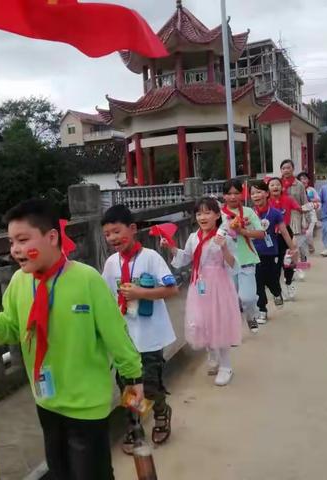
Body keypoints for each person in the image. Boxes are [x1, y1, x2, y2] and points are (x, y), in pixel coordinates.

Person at [0, 199, 143, 480]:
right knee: (60, 472)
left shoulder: (87, 280)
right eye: (11, 242)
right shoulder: (19, 283)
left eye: (23, 239)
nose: (15, 250)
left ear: (51, 237)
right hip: (46, 402)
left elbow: (116, 335)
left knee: (92, 473)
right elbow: (12, 329)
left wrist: (133, 379)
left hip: (87, 405)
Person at [101, 205, 178, 454]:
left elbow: (172, 289)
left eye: (116, 231)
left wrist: (141, 293)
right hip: (125, 337)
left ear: (133, 229)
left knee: (150, 385)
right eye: (107, 235)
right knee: (127, 384)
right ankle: (135, 427)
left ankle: (161, 411)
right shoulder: (111, 263)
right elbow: (105, 297)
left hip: (151, 335)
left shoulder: (151, 258)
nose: (112, 238)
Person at [165, 197, 241, 387]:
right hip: (198, 283)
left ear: (217, 215)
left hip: (218, 284)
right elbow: (186, 258)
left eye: (207, 212)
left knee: (218, 322)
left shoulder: (224, 236)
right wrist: (172, 249)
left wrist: (223, 246)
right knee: (200, 321)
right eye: (199, 213)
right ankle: (211, 351)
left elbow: (232, 265)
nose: (202, 217)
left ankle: (226, 365)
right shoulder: (193, 237)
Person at [221, 179, 265, 333]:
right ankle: (233, 330)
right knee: (231, 298)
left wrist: (243, 231)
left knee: (248, 297)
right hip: (226, 262)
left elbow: (261, 233)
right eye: (229, 194)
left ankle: (251, 315)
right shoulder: (218, 214)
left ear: (242, 194)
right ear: (224, 196)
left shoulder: (248, 212)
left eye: (236, 193)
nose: (233, 197)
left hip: (246, 258)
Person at [251, 181, 297, 324]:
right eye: (252, 193)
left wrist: (293, 249)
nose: (256, 195)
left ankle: (277, 293)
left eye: (259, 192)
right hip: (254, 252)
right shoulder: (249, 213)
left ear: (266, 193)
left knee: (271, 279)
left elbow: (283, 232)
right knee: (258, 280)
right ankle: (262, 309)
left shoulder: (275, 213)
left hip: (271, 252)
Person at [268, 177, 306, 300]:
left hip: (286, 234)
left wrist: (311, 206)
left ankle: (289, 283)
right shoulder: (266, 201)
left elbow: (300, 208)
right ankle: (278, 290)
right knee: (276, 264)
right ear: (268, 189)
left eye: (277, 184)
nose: (275, 187)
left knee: (288, 261)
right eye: (272, 185)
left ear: (281, 187)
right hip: (271, 235)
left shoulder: (288, 199)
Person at [297, 172, 320, 254]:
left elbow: (318, 200)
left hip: (310, 213)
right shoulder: (296, 190)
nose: (303, 181)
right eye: (301, 179)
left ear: (308, 180)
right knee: (300, 234)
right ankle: (302, 252)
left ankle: (310, 245)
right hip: (300, 214)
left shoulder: (311, 190)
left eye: (305, 178)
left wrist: (310, 200)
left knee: (308, 233)